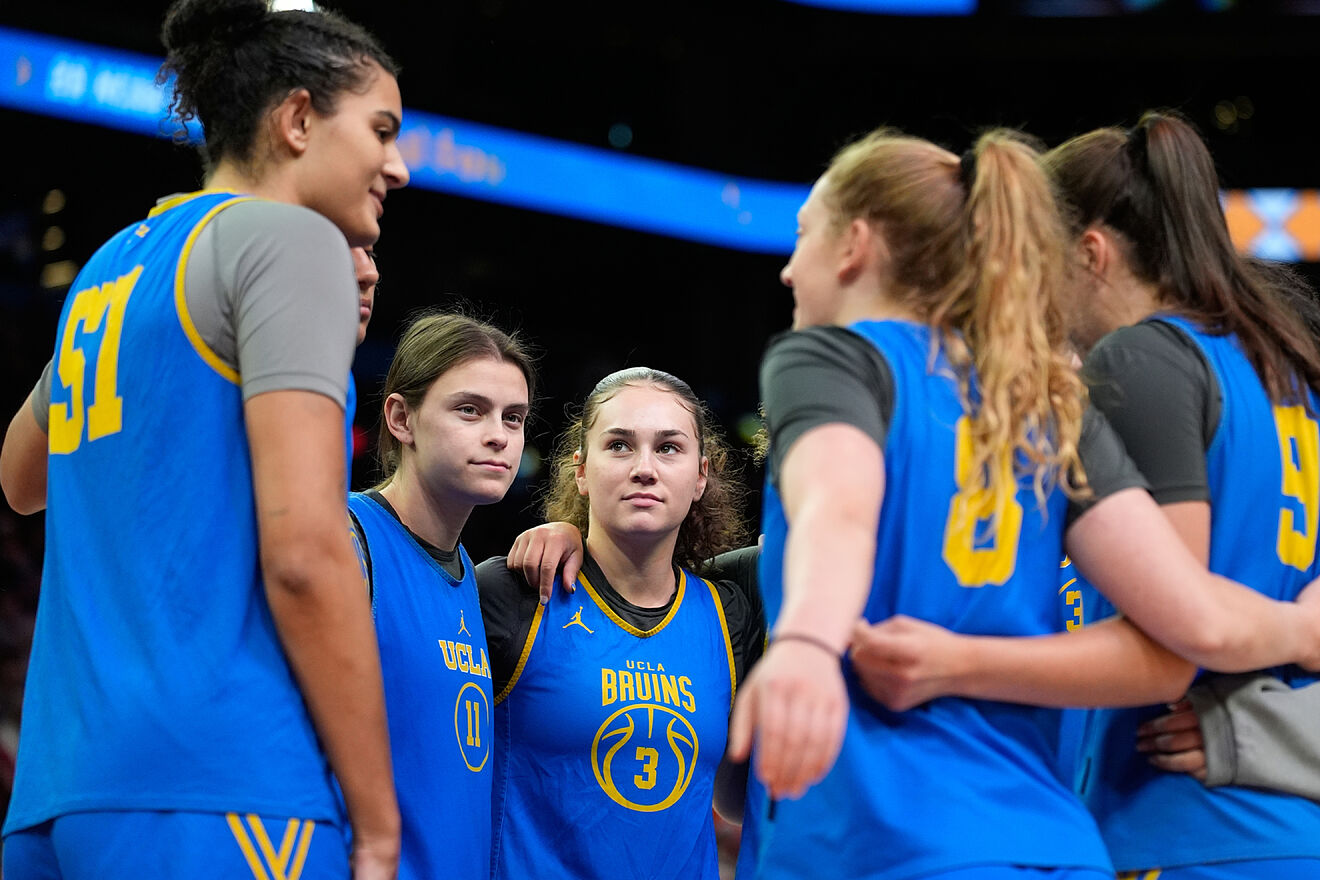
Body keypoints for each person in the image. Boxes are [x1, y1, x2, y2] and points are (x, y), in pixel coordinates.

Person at [723, 126, 1320, 880]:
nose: (785, 270)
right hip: (1053, 847)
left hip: (886, 839)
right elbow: (1177, 635)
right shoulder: (1051, 403)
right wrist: (1301, 626)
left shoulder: (831, 355)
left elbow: (838, 504)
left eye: (802, 234)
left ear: (856, 247)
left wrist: (807, 645)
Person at [0, 0, 409, 876]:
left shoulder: (112, 263)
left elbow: (19, 476)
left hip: (59, 794)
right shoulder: (294, 243)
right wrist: (377, 820)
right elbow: (304, 553)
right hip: (222, 787)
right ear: (298, 119)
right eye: (381, 130)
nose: (398, 165)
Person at [477, 367, 763, 880]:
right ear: (581, 470)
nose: (644, 468)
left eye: (669, 448)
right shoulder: (512, 591)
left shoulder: (731, 610)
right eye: (619, 445)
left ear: (701, 476)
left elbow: (736, 801)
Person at [347, 312, 535, 880]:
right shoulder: (346, 539)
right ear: (401, 418)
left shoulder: (470, 581)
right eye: (470, 410)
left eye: (515, 417)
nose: (499, 435)